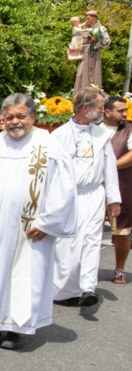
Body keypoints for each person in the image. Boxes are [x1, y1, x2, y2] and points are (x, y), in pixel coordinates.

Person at [0, 94, 77, 350]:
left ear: (32, 117)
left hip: (30, 229)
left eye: (21, 116)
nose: (15, 121)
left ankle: (16, 329)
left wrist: (47, 222)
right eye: (10, 116)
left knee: (23, 277)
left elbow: (64, 188)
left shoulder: (49, 146)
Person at [52, 88, 120, 306]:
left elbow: (110, 167)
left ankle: (87, 288)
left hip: (94, 194)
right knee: (67, 245)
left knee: (92, 241)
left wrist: (113, 199)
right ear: (85, 108)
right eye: (99, 107)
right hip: (68, 197)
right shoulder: (59, 135)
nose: (102, 111)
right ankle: (63, 291)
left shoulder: (101, 135)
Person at [102, 96, 132, 284]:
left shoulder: (129, 130)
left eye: (125, 110)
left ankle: (119, 269)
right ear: (107, 112)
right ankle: (87, 269)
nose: (125, 114)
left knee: (122, 231)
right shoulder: (94, 130)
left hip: (122, 187)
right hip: (94, 189)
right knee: (90, 230)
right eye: (120, 110)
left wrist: (108, 169)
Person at [74, 10, 110, 94]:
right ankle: (79, 95)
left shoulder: (101, 29)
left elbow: (106, 41)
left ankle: (93, 96)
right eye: (86, 18)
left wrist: (96, 41)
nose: (86, 20)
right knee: (80, 74)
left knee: (93, 75)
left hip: (94, 54)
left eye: (88, 18)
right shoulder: (84, 29)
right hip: (83, 55)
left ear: (94, 18)